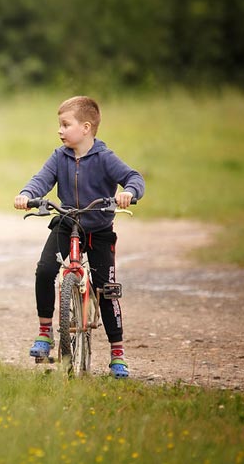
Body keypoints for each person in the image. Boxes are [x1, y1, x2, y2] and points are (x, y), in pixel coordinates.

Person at [13, 96, 145, 378]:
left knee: (106, 289)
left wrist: (128, 193)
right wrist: (27, 195)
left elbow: (134, 177)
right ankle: (45, 332)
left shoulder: (105, 158)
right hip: (67, 222)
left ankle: (117, 354)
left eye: (65, 125)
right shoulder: (58, 157)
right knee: (45, 270)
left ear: (86, 128)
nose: (60, 130)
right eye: (59, 125)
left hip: (98, 228)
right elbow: (41, 180)